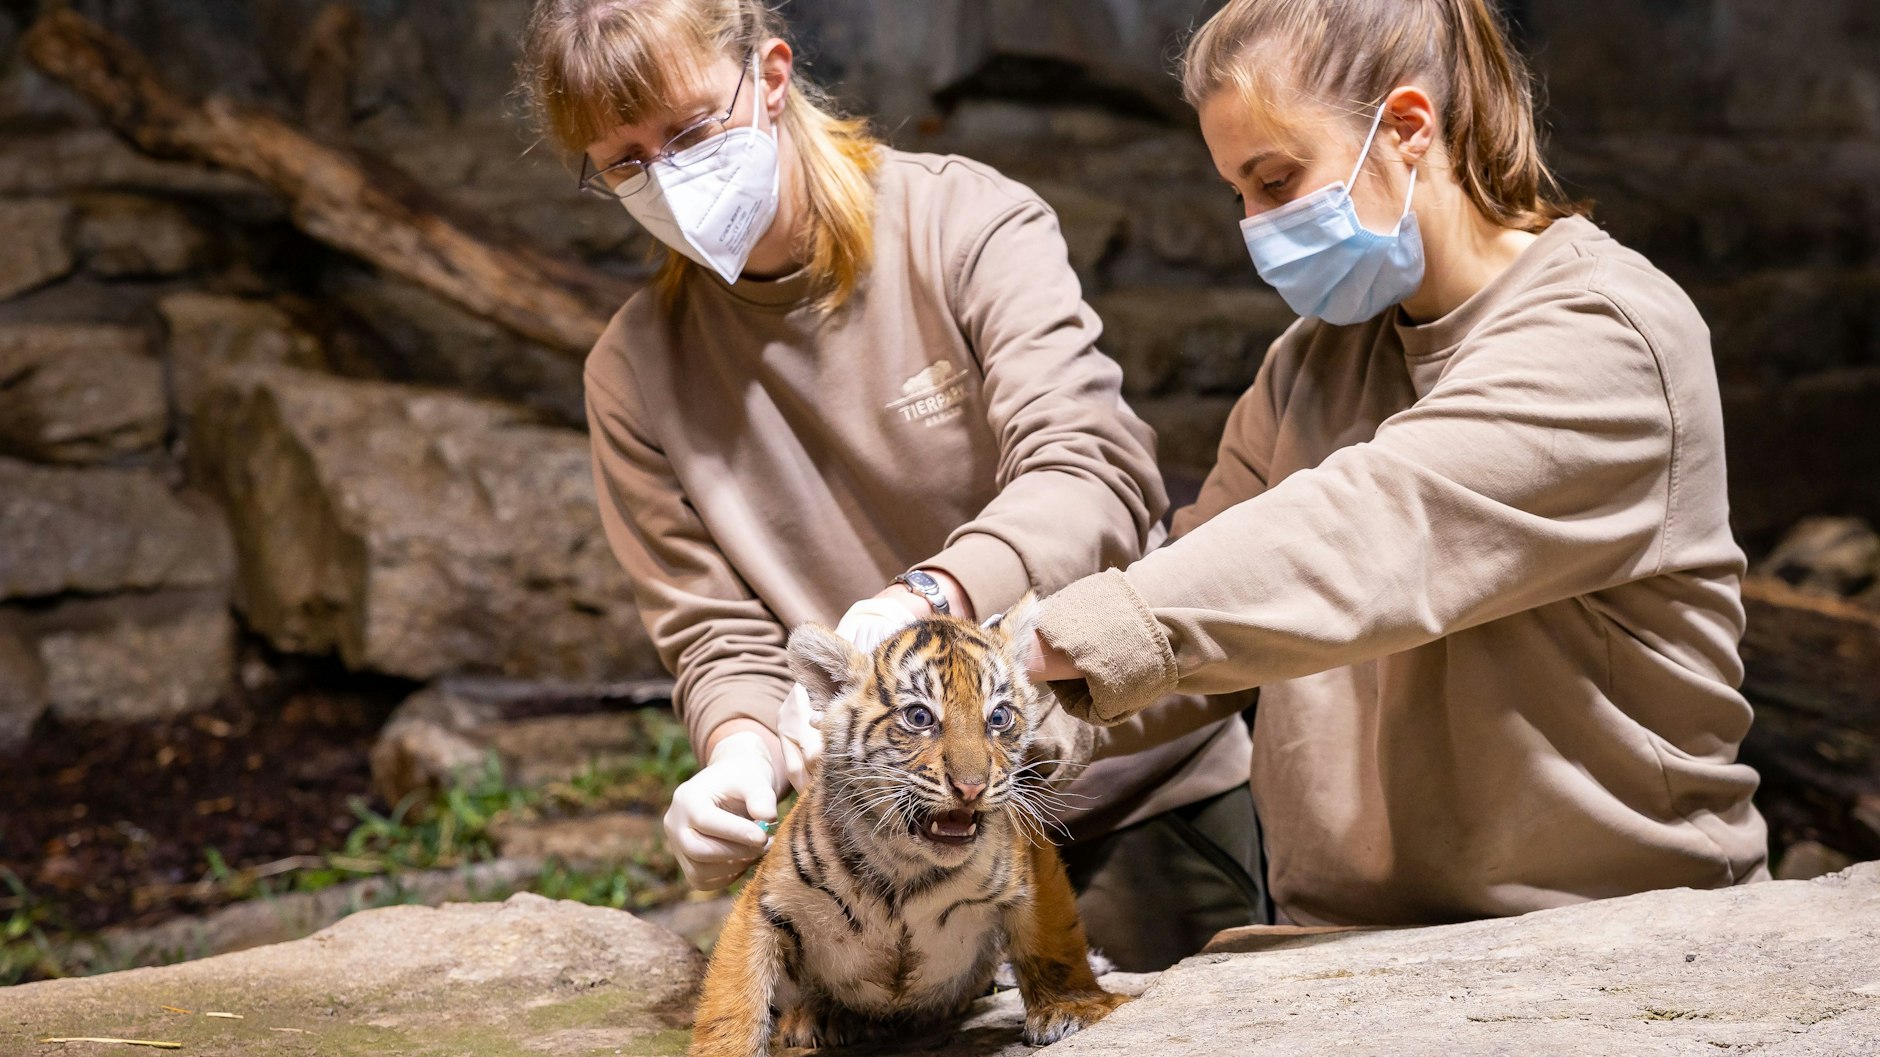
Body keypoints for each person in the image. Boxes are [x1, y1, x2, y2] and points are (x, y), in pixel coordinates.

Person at [517, 0, 1263, 968]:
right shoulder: (630, 374)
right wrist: (740, 758)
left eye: (692, 132)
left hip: (1131, 778)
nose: (667, 176)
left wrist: (925, 598)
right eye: (624, 160)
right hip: (897, 843)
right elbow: (717, 635)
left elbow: (1092, 473)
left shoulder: (964, 222)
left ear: (772, 74)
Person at [1025, 0, 1769, 928]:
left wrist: (1058, 636)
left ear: (1409, 127)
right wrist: (979, 722)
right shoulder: (1308, 364)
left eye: (1277, 177)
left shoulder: (1608, 336)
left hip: (1610, 929)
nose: (1254, 225)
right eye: (1239, 194)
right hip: (1337, 936)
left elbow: (1370, 528)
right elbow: (1199, 639)